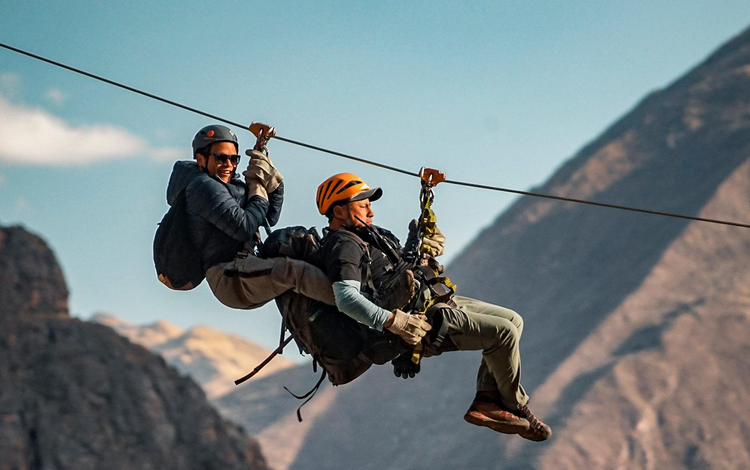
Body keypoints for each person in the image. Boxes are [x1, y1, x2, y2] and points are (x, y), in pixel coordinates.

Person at [314, 172, 552, 441]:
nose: (370, 210)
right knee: (504, 333)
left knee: (514, 320)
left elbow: (401, 266)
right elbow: (347, 299)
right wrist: (396, 323)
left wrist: (425, 246)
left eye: (369, 203)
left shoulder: (373, 234)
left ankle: (487, 400)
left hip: (432, 298)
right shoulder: (343, 246)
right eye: (362, 204)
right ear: (338, 210)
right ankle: (517, 406)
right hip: (420, 320)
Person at [164, 124, 335, 309]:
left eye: (234, 159)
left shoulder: (230, 186)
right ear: (200, 159)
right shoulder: (203, 188)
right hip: (228, 276)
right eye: (221, 158)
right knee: (293, 271)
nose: (229, 165)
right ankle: (352, 305)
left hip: (245, 265)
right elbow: (244, 227)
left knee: (305, 248)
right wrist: (258, 194)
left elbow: (269, 217)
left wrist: (274, 187)